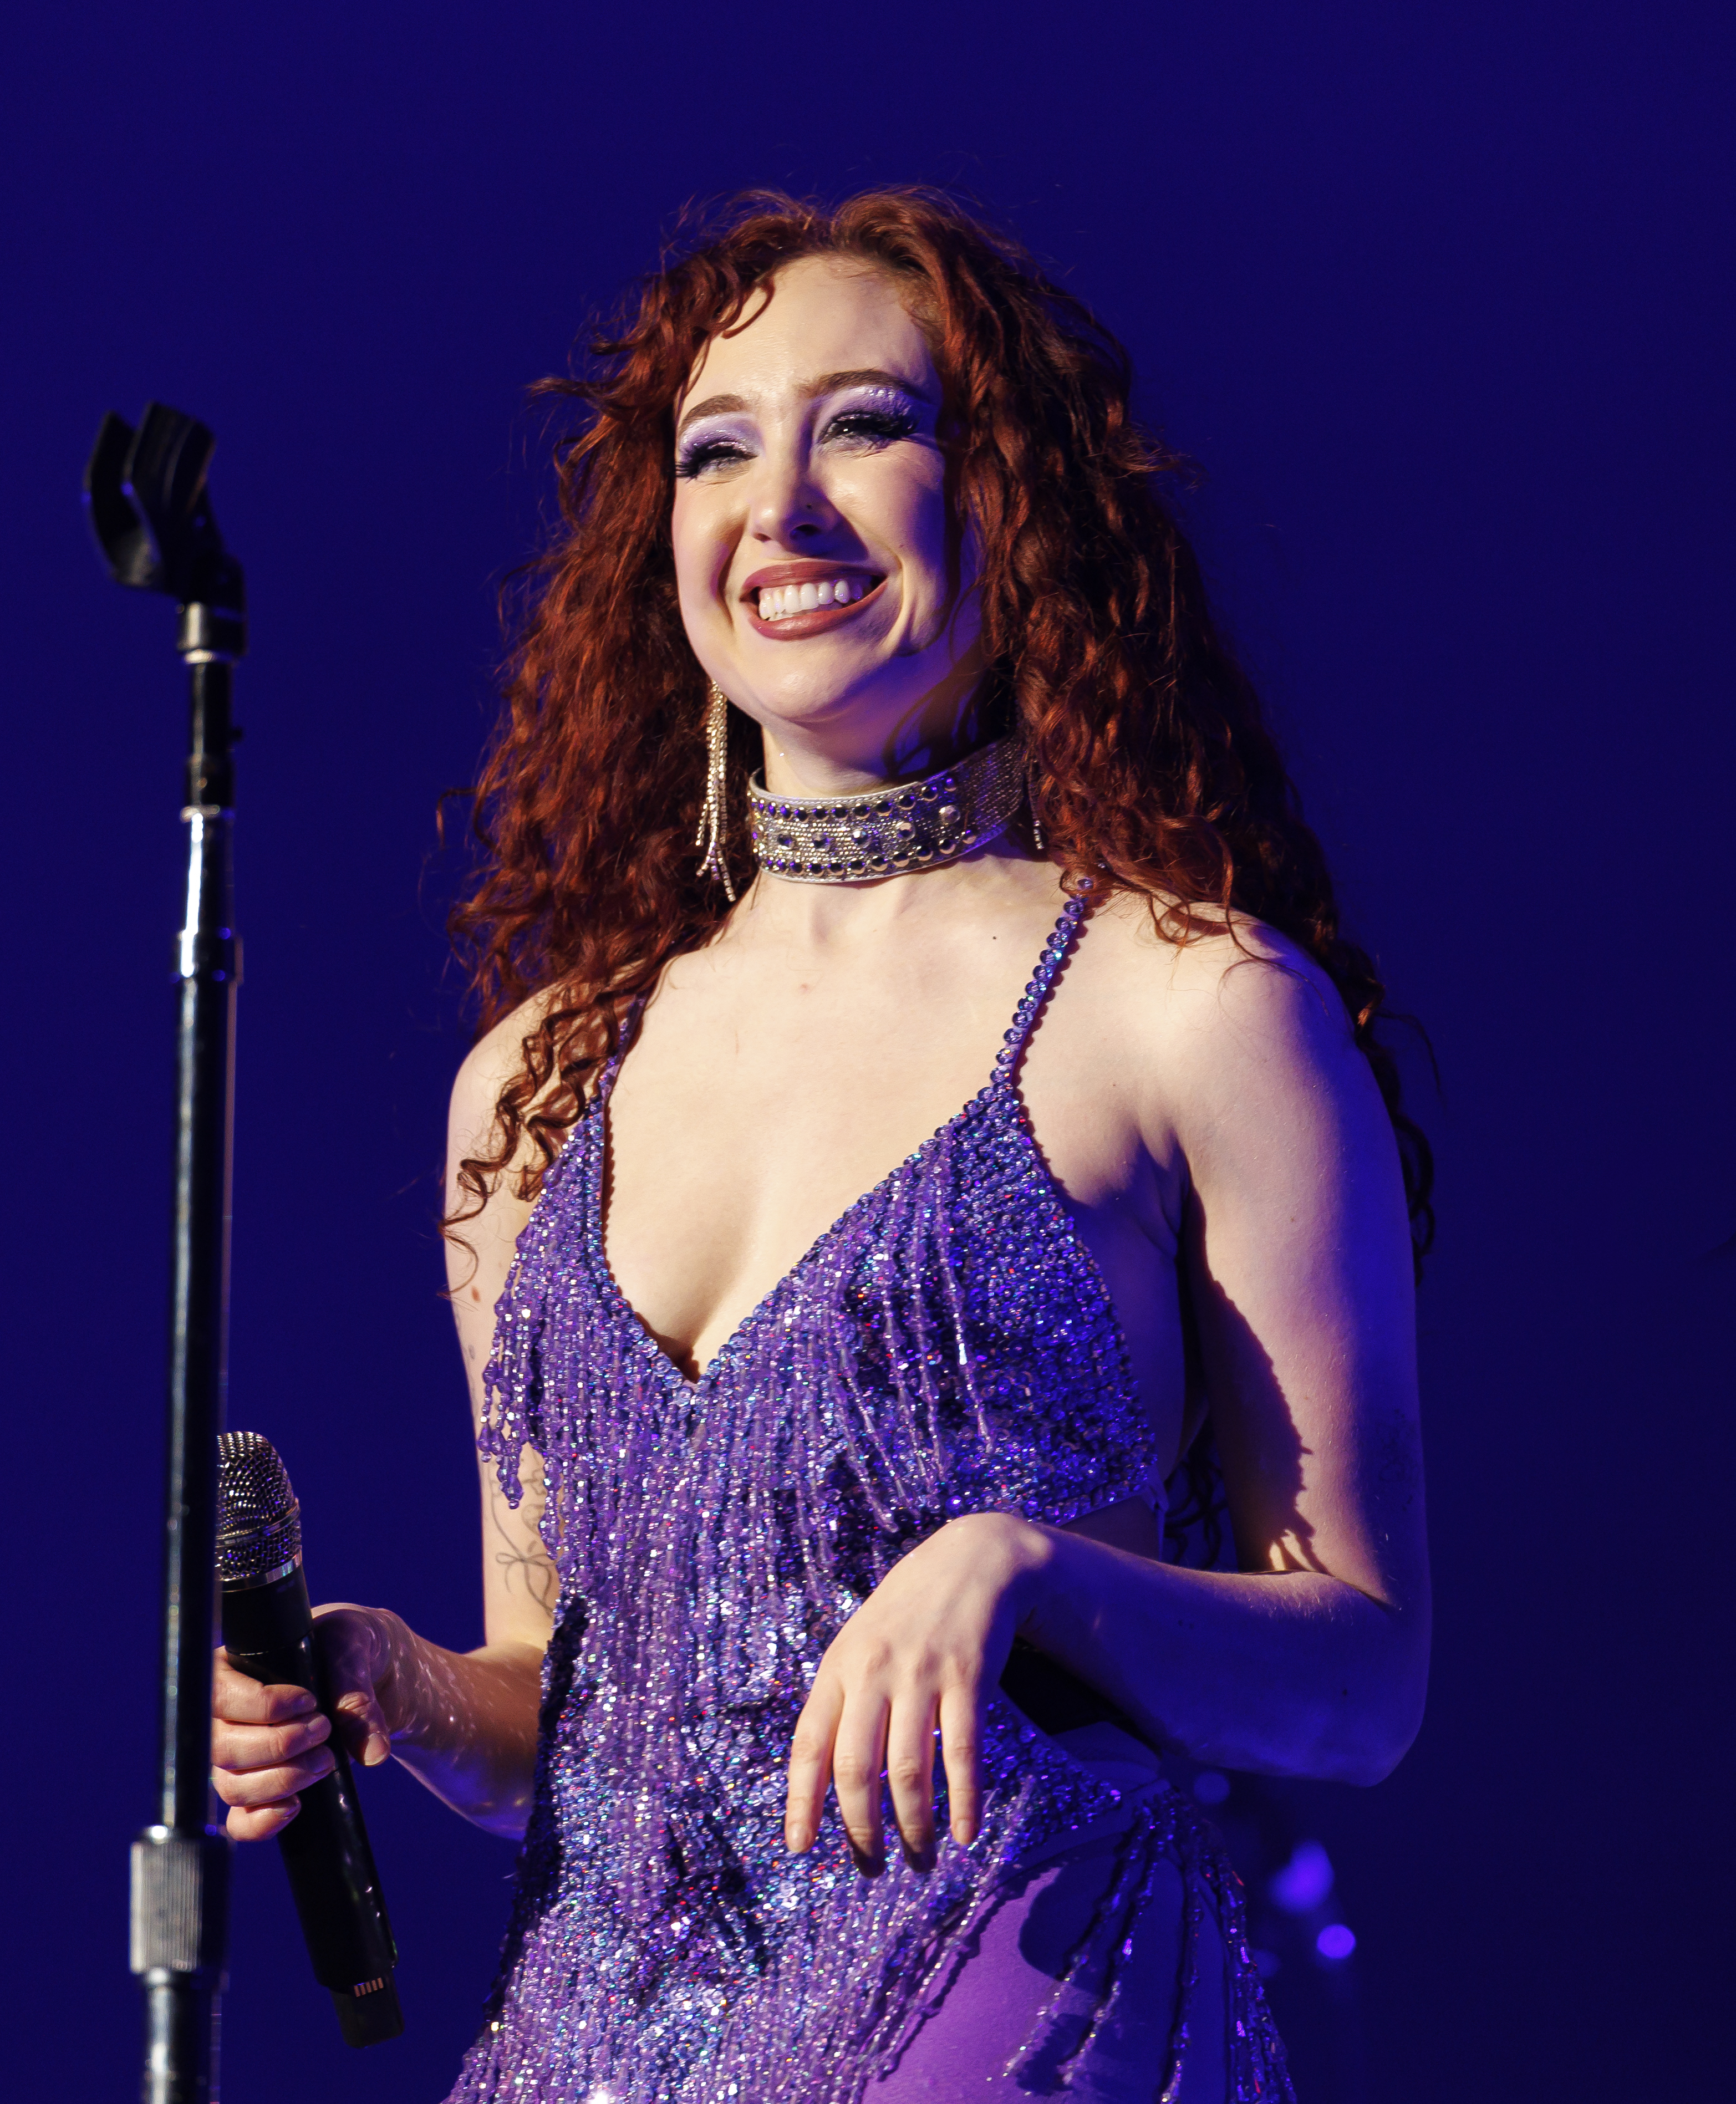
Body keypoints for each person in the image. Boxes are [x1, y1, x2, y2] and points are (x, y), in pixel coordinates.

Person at [210, 190, 1432, 2103]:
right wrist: (405, 1690)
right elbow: (575, 1706)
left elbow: (1359, 1681)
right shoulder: (533, 1092)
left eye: (865, 424)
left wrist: (1026, 1570)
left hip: (1009, 1999)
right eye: (718, 448)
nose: (778, 509)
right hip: (592, 2041)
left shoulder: (1184, 1003)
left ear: (1002, 499)